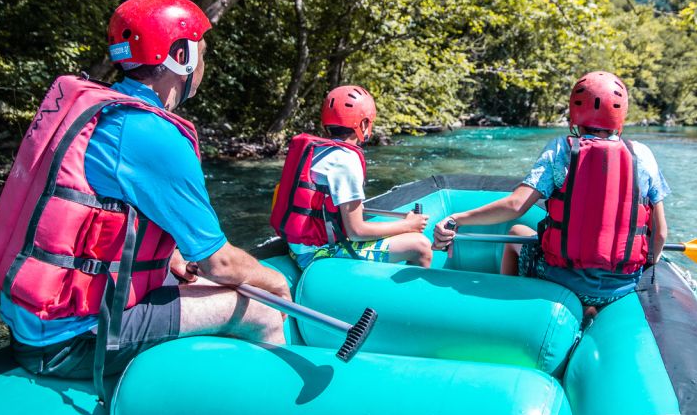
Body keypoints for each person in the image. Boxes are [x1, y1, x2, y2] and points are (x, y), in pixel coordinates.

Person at [0, 0, 288, 401]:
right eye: (201, 54)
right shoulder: (151, 134)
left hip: (32, 321)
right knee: (263, 310)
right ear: (180, 56)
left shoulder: (96, 110)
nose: (203, 67)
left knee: (182, 273)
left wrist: (170, 257)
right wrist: (277, 282)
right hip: (71, 341)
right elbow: (221, 262)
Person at [433, 71, 669, 316]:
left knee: (516, 233)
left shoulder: (561, 150)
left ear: (575, 113)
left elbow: (516, 205)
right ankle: (590, 310)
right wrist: (646, 262)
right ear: (620, 116)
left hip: (561, 279)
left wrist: (457, 219)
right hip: (622, 285)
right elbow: (660, 233)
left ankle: (509, 312)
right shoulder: (643, 155)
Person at [270, 85, 432, 270]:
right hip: (318, 254)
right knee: (421, 246)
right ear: (363, 124)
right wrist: (408, 225)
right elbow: (356, 232)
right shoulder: (346, 159)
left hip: (297, 248)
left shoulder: (316, 150)